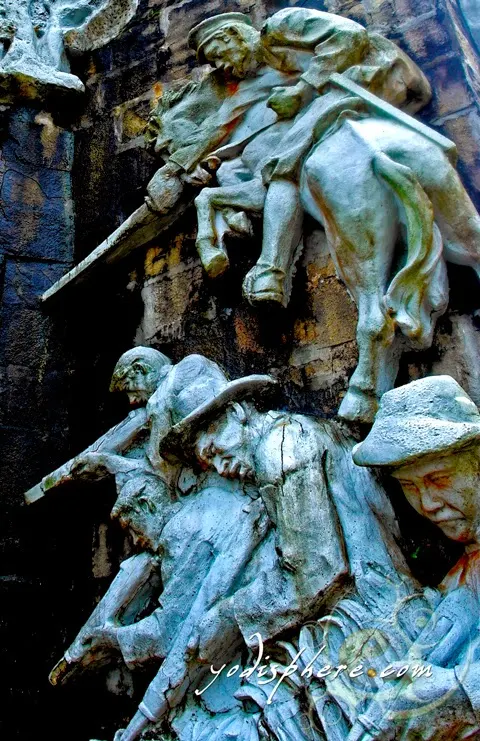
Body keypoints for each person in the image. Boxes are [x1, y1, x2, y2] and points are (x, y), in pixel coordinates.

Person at [350, 375, 480, 740]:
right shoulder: (463, 573)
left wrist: (458, 690)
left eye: (438, 478)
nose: (427, 504)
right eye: (409, 486)